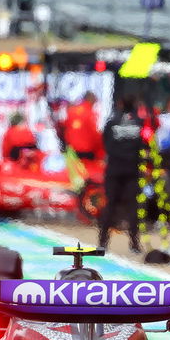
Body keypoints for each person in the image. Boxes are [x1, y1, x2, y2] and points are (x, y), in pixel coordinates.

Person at [96, 96, 147, 253]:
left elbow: (106, 144)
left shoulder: (112, 123)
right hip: (132, 169)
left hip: (114, 169)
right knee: (133, 207)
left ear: (119, 103)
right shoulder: (139, 123)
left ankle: (103, 242)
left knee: (110, 206)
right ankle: (134, 244)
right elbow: (143, 145)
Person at [64, 91, 104, 161]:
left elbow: (66, 127)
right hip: (86, 151)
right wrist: (101, 150)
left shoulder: (72, 110)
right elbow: (94, 133)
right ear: (91, 99)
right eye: (94, 102)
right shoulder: (91, 113)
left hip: (71, 150)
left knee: (73, 170)